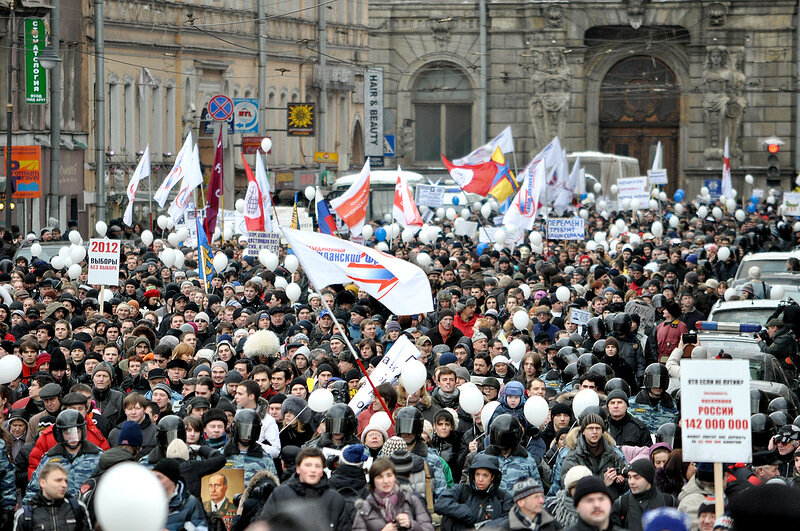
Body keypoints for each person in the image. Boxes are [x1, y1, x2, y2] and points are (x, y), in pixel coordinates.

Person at [260, 447, 354, 530]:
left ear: (322, 471)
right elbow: (265, 524)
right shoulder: (280, 494)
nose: (312, 470)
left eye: (317, 466)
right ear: (298, 469)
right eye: (308, 465)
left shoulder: (335, 500)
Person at [352, 458, 434, 531]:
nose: (386, 481)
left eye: (389, 475)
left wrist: (411, 524)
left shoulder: (411, 501)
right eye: (380, 477)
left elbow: (428, 528)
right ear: (373, 481)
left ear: (395, 477)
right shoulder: (365, 508)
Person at [435, 454, 512, 530]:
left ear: (492, 477)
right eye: (477, 474)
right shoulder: (462, 490)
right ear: (473, 475)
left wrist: (487, 527)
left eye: (485, 475)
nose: (480, 479)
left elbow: (511, 519)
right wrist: (464, 512)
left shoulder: (503, 497)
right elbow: (440, 503)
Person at [560, 414, 626, 497]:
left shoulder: (612, 454)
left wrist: (621, 483)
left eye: (598, 428)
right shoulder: (573, 456)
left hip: (609, 504)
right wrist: (602, 482)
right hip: (583, 504)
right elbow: (567, 483)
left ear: (602, 431)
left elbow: (626, 484)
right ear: (583, 431)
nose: (594, 432)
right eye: (590, 428)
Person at [14, 462, 91, 531]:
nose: (64, 485)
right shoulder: (25, 515)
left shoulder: (78, 508)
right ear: (43, 483)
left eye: (66, 481)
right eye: (58, 480)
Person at [610, 460, 676, 530]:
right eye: (629, 477)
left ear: (648, 478)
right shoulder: (622, 503)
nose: (631, 482)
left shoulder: (669, 501)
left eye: (636, 477)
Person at [152, 458, 208, 531]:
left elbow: (202, 528)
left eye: (159, 477)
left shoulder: (190, 503)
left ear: (171, 479)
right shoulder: (147, 501)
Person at [491, 477, 562, 530]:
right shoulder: (505, 528)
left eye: (541, 496)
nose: (541, 501)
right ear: (520, 502)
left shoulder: (553, 525)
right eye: (536, 497)